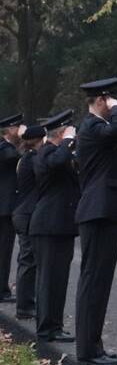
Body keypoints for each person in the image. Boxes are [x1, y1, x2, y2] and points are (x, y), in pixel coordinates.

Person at [74, 77, 117, 365]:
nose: (115, 106)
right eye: (110, 100)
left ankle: (93, 344)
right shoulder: (93, 127)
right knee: (94, 280)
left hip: (102, 211)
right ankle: (87, 349)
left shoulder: (96, 128)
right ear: (100, 100)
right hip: (97, 212)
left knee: (99, 281)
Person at [30, 110, 79, 343]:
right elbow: (57, 162)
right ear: (60, 134)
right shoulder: (46, 152)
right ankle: (46, 328)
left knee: (58, 279)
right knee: (49, 279)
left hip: (60, 225)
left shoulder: (57, 153)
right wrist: (68, 141)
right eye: (68, 133)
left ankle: (55, 325)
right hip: (49, 225)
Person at [12, 124, 45, 320]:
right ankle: (24, 306)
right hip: (27, 213)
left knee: (28, 260)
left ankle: (26, 303)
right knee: (28, 260)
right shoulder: (32, 159)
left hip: (23, 211)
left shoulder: (26, 157)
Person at [0, 112, 24, 303]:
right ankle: (2, 291)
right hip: (5, 208)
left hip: (5, 207)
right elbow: (15, 157)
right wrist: (25, 139)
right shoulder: (5, 148)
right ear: (10, 130)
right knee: (4, 251)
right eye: (18, 127)